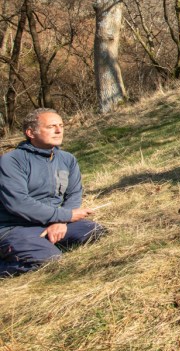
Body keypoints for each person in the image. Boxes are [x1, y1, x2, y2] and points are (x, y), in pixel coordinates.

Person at [0, 109, 105, 277]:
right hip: (16, 227)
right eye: (51, 127)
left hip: (55, 222)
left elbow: (74, 194)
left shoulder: (67, 159)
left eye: (61, 126)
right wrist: (64, 215)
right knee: (48, 260)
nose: (58, 131)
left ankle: (45, 244)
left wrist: (61, 221)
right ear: (30, 133)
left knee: (95, 232)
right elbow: (18, 203)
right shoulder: (11, 161)